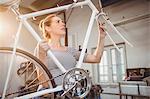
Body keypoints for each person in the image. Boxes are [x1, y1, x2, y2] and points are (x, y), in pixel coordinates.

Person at [34, 13, 106, 89]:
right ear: (48, 28)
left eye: (62, 21)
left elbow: (96, 58)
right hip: (49, 94)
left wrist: (102, 37)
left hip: (68, 93)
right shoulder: (42, 49)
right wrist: (41, 53)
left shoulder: (71, 50)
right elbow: (43, 82)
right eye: (58, 22)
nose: (63, 24)